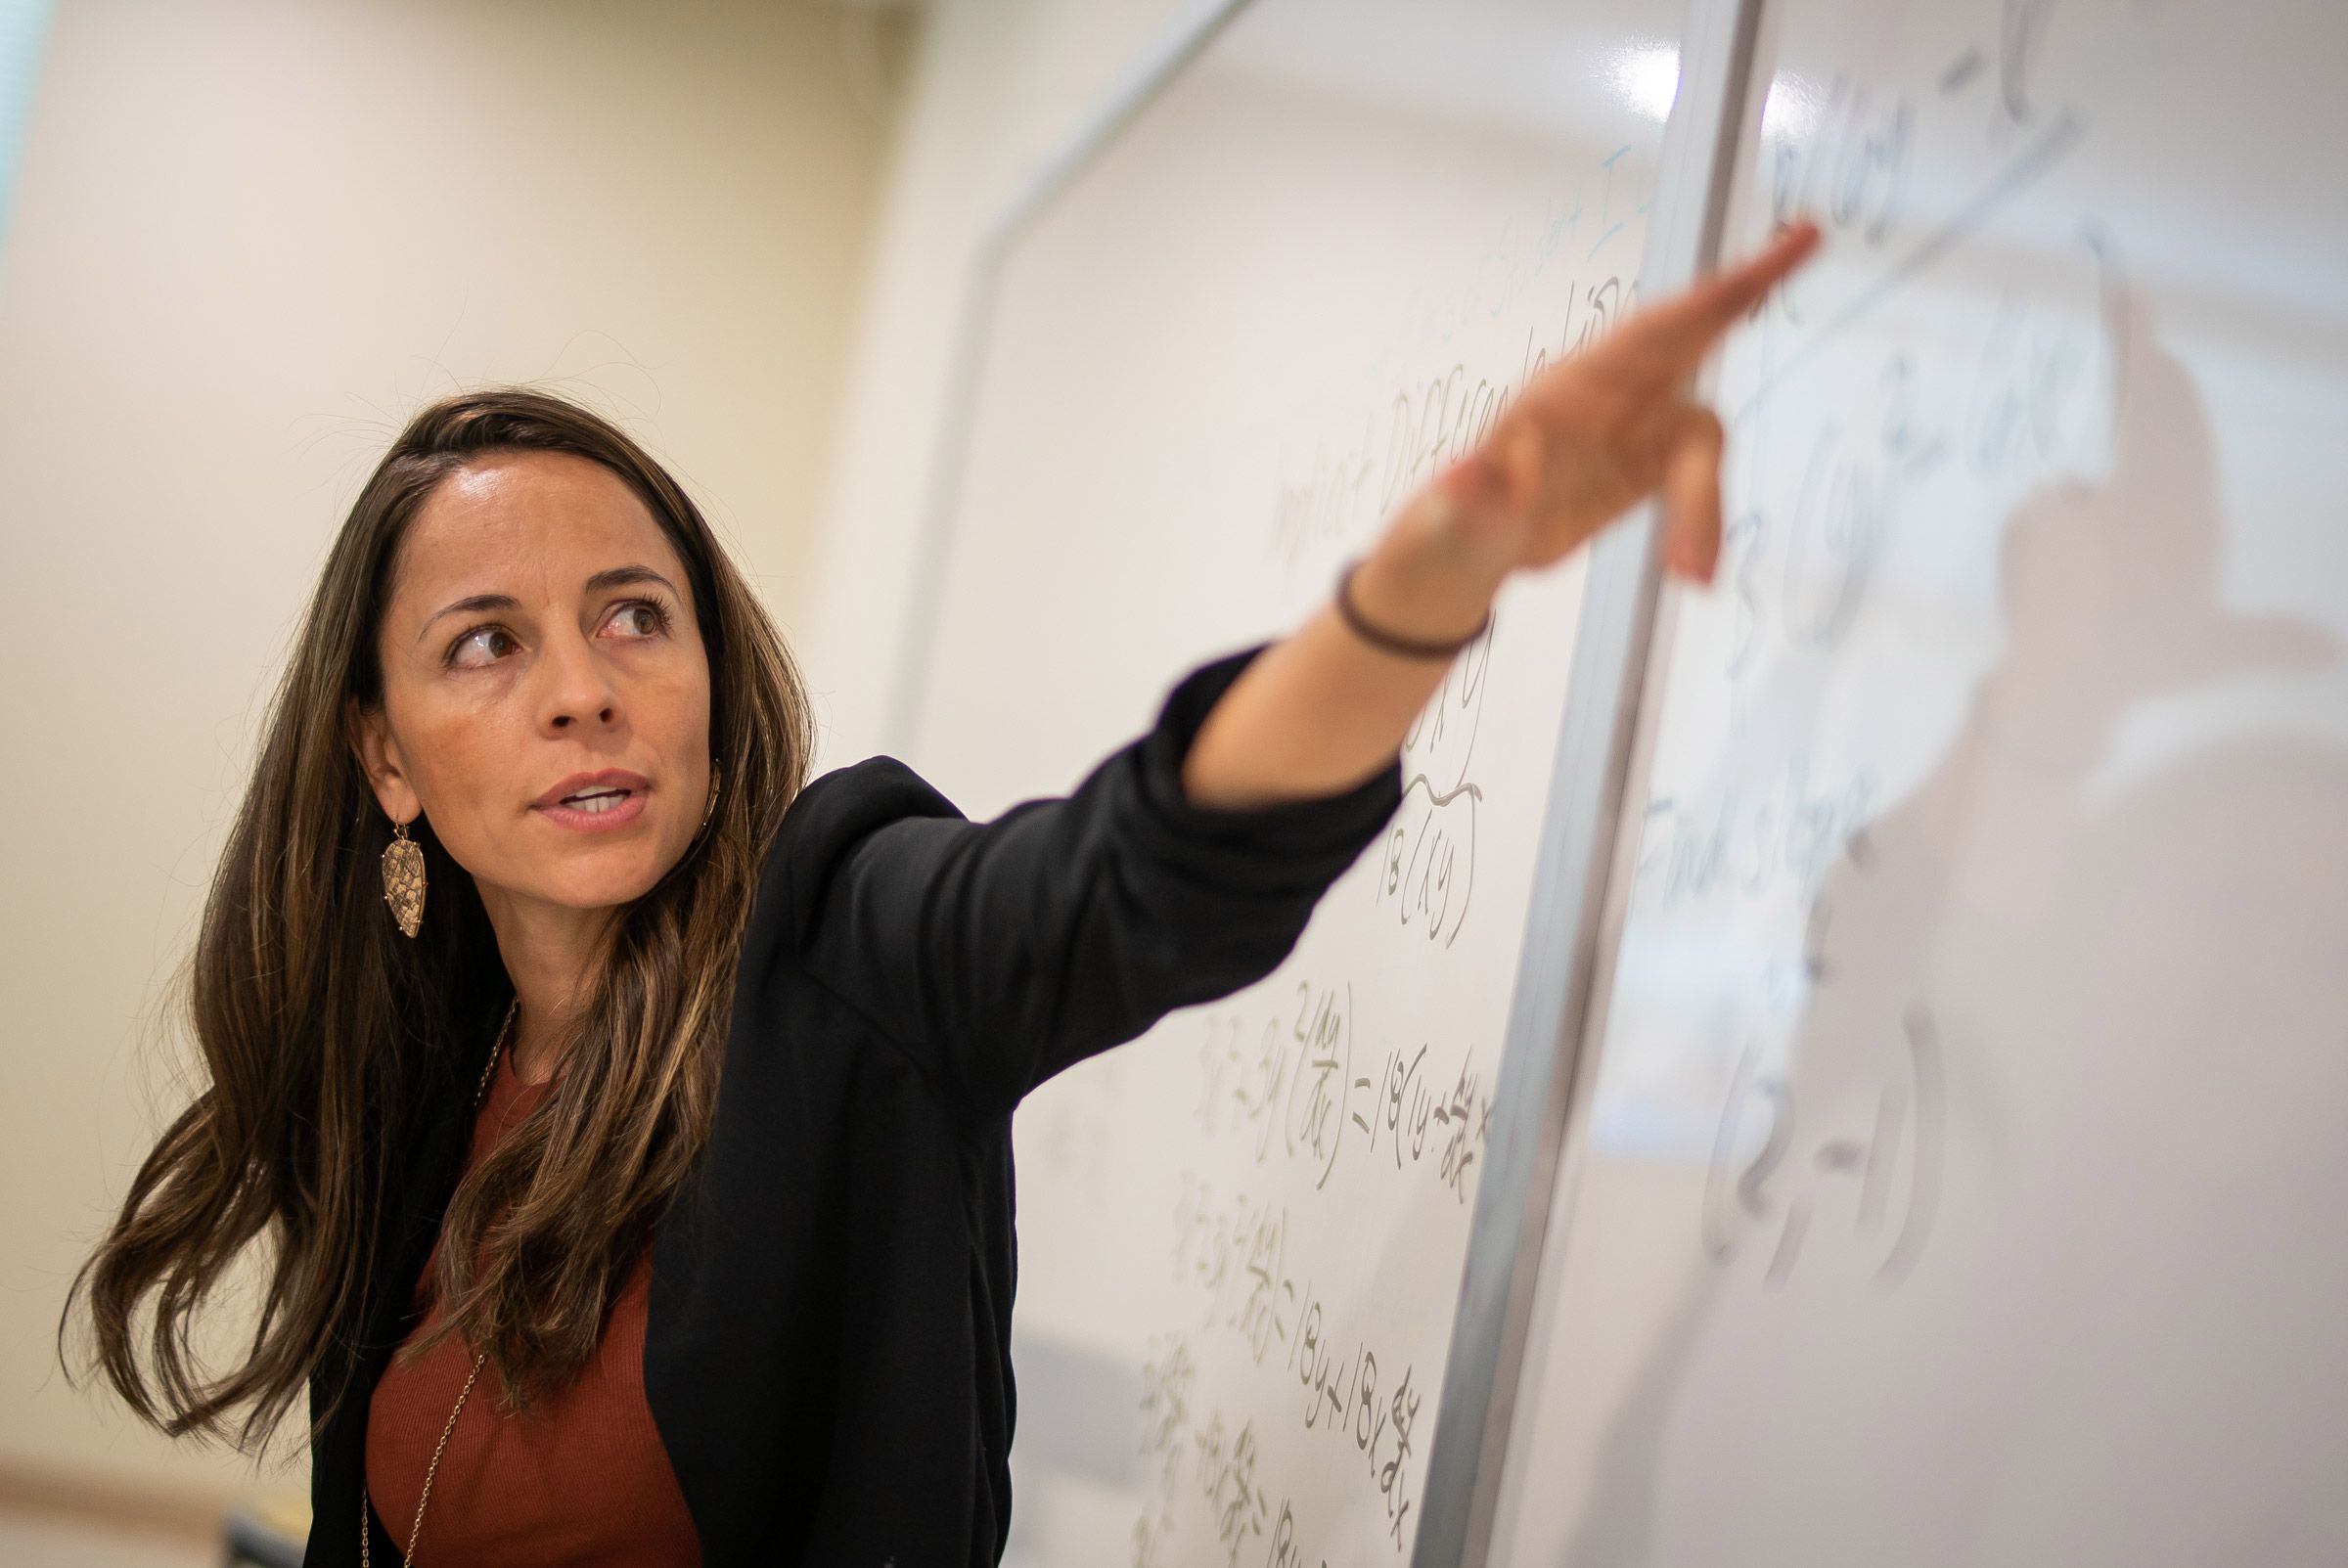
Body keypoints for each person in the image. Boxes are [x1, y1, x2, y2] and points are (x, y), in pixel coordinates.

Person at [58, 221, 1822, 1566]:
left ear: (705, 675)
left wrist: (1429, 586)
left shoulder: (843, 945)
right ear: (385, 761)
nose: (580, 686)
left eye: (630, 615)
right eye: (486, 644)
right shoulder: (418, 1081)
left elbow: (1138, 876)